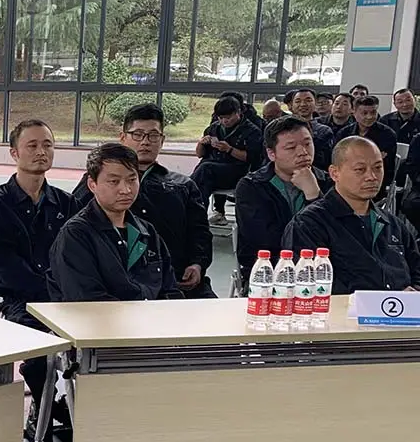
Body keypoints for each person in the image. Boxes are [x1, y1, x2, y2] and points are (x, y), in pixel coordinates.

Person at [49, 143, 208, 442]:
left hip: (150, 346)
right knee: (155, 400)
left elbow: (170, 291)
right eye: (114, 181)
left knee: (201, 387)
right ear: (92, 184)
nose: (125, 189)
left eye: (131, 180)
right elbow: (87, 308)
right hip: (102, 353)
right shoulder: (76, 236)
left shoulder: (146, 232)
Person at [285, 137, 420, 442]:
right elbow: (305, 286)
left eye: (377, 168)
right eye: (360, 169)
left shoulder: (392, 223)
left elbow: (416, 269)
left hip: (399, 335)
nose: (371, 177)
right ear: (334, 173)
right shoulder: (311, 224)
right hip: (340, 338)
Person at [0, 119, 74, 439]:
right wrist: (52, 293)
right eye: (32, 145)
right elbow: (6, 269)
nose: (41, 151)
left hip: (65, 299)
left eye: (47, 145)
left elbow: (76, 258)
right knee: (40, 345)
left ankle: (80, 405)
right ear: (14, 153)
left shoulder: (66, 203)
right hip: (22, 301)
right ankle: (47, 407)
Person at [72, 104, 214, 298]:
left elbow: (200, 232)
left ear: (162, 140)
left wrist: (197, 264)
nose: (145, 142)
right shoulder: (99, 182)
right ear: (123, 137)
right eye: (138, 134)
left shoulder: (183, 186)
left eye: (153, 135)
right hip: (119, 284)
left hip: (176, 281)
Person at [233, 117, 331, 284]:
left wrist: (314, 195)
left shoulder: (328, 182)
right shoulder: (253, 187)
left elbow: (335, 236)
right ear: (271, 153)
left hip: (321, 272)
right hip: (269, 272)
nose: (303, 152)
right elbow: (264, 240)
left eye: (308, 143)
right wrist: (313, 200)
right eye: (291, 147)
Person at [192, 95, 262, 223]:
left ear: (238, 112)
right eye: (221, 118)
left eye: (228, 117)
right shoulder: (214, 128)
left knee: (204, 171)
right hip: (211, 170)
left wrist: (229, 149)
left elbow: (253, 158)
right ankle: (194, 214)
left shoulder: (251, 131)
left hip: (236, 171)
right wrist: (201, 143)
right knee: (200, 177)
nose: (224, 121)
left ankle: (196, 217)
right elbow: (200, 154)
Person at [334, 95, 398, 201]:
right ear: (354, 112)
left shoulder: (387, 134)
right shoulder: (344, 133)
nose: (369, 117)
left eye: (373, 112)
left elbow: (386, 166)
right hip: (347, 177)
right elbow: (337, 159)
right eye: (364, 113)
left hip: (374, 181)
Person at [285, 88, 335, 170]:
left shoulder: (324, 131)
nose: (303, 104)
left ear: (315, 104)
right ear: (291, 105)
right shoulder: (283, 129)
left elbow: (325, 161)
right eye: (298, 101)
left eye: (308, 100)